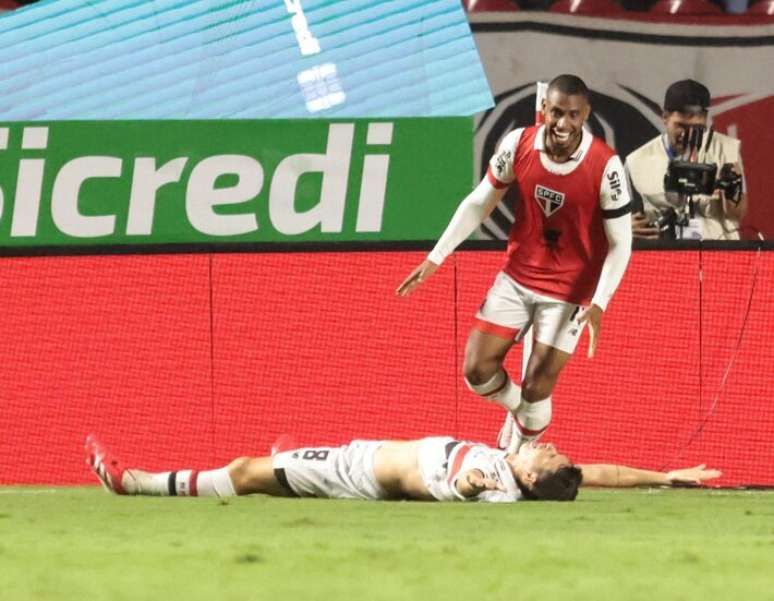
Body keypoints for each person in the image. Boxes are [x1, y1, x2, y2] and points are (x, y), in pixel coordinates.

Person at [396, 74, 633, 452]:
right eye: (556, 112)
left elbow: (622, 243)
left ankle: (519, 455)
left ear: (585, 114)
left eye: (573, 115)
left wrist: (601, 302)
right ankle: (519, 410)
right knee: (476, 372)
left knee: (539, 385)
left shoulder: (606, 165)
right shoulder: (518, 143)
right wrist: (436, 257)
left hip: (570, 292)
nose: (563, 123)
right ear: (544, 109)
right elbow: (479, 201)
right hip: (517, 278)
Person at [85, 434, 720, 504]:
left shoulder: (496, 477)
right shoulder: (522, 472)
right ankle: (288, 457)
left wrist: (469, 482)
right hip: (362, 464)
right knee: (268, 461)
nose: (549, 446)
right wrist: (668, 476)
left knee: (247, 469)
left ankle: (133, 482)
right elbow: (600, 474)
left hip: (357, 471)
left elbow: (468, 482)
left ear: (529, 476)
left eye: (546, 454)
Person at [626, 79, 747, 241]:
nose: (687, 134)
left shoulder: (726, 151)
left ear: (705, 120)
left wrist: (732, 190)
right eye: (681, 125)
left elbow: (736, 215)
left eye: (696, 128)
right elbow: (620, 217)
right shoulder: (637, 161)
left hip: (718, 252)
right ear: (665, 117)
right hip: (663, 258)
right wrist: (624, 228)